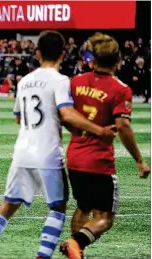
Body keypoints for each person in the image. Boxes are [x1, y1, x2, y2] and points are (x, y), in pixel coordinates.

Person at [0, 30, 116, 259]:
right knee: (58, 207)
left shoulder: (25, 80)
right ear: (63, 53)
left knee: (8, 205)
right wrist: (99, 131)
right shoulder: (60, 81)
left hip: (22, 152)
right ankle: (42, 256)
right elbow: (67, 113)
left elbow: (19, 116)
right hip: (47, 153)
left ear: (37, 53)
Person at [60, 33, 150, 259]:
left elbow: (64, 117)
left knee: (83, 206)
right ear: (118, 61)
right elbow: (123, 126)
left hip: (74, 157)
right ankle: (75, 242)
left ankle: (78, 252)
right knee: (105, 217)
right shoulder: (120, 89)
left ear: (92, 60)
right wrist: (139, 160)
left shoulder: (76, 82)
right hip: (99, 161)